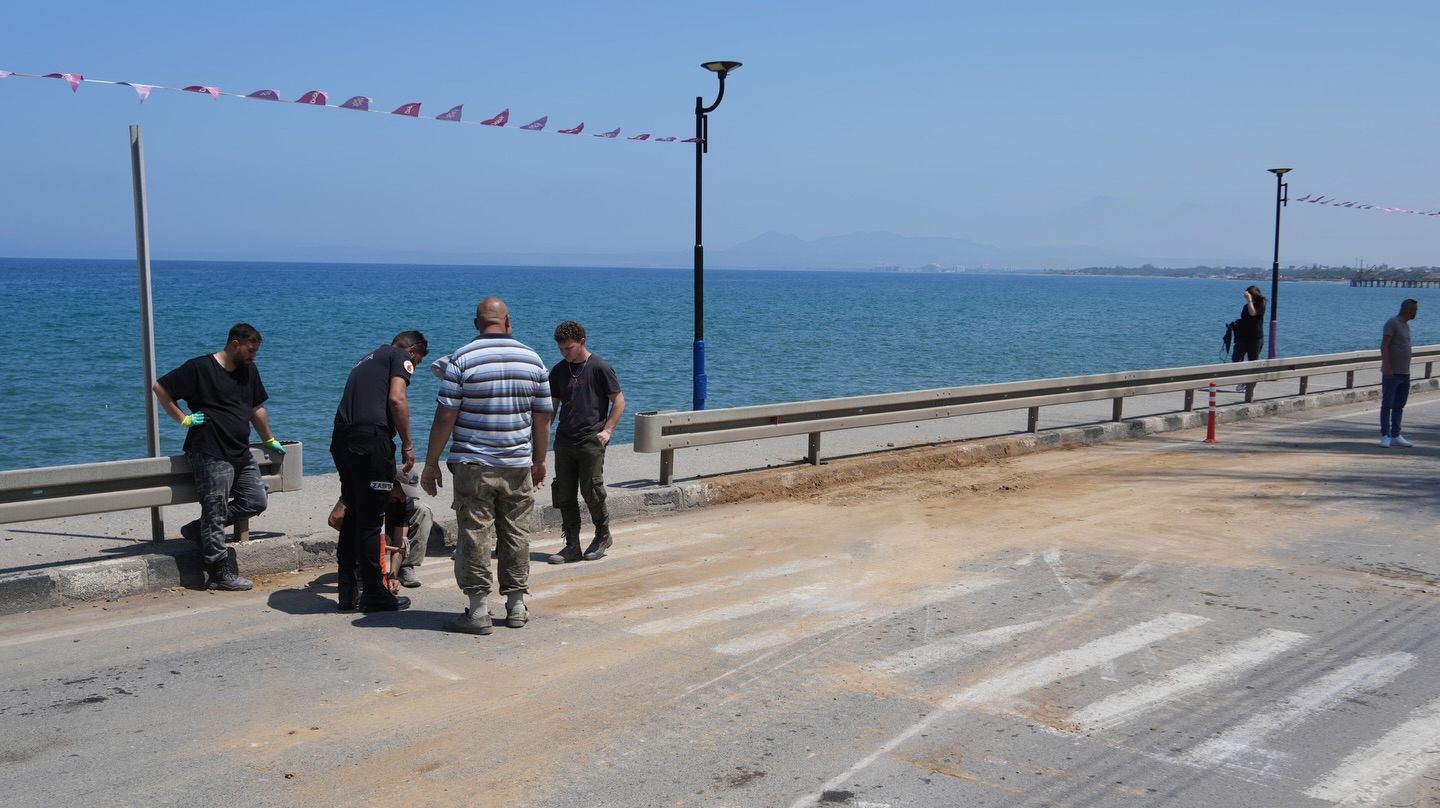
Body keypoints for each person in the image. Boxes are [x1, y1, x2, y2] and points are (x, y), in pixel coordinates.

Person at [421, 298, 553, 636]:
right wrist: (540, 460)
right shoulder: (533, 359)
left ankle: (478, 611)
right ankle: (516, 606)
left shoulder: (462, 359)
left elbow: (445, 415)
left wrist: (431, 462)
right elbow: (543, 418)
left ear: (476, 324)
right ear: (508, 322)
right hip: (517, 463)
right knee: (516, 533)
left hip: (473, 463)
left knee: (475, 534)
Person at [153, 323, 284, 592]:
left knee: (256, 501)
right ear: (235, 344)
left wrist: (269, 439)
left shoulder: (249, 370)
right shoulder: (200, 368)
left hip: (240, 450)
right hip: (209, 451)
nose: (254, 357)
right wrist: (183, 419)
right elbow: (160, 388)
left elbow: (256, 408)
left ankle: (197, 529)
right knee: (214, 511)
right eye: (250, 351)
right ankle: (218, 572)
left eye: (256, 352)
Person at [330, 331, 428, 612]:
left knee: (353, 515)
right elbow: (397, 399)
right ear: (412, 350)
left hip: (342, 440)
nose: (414, 367)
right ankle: (374, 592)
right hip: (370, 443)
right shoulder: (400, 356)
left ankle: (347, 590)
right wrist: (408, 444)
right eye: (417, 362)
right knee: (372, 520)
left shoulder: (366, 359)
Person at [545, 320, 625, 564]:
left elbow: (619, 402)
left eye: (569, 348)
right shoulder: (558, 371)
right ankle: (572, 545)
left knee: (592, 491)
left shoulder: (600, 367)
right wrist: (542, 439)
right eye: (561, 349)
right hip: (564, 441)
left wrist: (607, 431)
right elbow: (551, 409)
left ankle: (602, 535)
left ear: (582, 342)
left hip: (591, 440)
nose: (564, 353)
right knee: (564, 494)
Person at [326, 464, 436, 592]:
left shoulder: (405, 501)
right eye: (402, 492)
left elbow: (399, 542)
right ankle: (362, 565)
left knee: (424, 511)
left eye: (407, 494)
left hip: (385, 529)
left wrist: (393, 576)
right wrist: (366, 538)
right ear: (391, 483)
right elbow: (334, 519)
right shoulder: (365, 488)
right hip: (367, 530)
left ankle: (404, 567)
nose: (402, 498)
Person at [1380, 299, 1419, 448]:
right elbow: (1384, 346)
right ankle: (1386, 435)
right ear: (1410, 310)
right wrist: (1387, 367)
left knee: (1399, 405)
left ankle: (1396, 435)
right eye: (1415, 310)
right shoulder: (1393, 323)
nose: (1416, 313)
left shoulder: (1406, 325)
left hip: (1404, 372)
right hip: (1393, 372)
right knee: (1387, 405)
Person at [1230, 285, 1267, 391]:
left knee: (1253, 361)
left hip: (1255, 338)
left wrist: (1249, 300)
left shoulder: (1261, 305)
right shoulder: (1246, 306)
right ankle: (1243, 380)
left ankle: (1250, 385)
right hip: (1243, 337)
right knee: (1236, 358)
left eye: (1249, 295)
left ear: (1254, 295)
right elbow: (1245, 319)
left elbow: (1253, 313)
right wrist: (1235, 325)